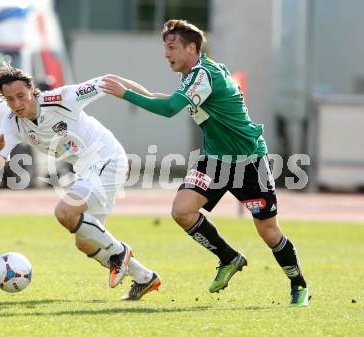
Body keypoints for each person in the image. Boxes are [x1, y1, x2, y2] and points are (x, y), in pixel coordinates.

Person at [101, 19, 310, 307]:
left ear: (191, 47)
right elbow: (167, 100)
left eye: (172, 47)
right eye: (165, 47)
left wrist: (126, 94)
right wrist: (131, 88)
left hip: (248, 162)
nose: (166, 54)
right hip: (213, 161)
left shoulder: (204, 75)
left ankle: (299, 285)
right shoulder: (194, 75)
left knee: (268, 231)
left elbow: (170, 109)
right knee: (182, 211)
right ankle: (229, 257)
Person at [0, 62, 161, 300]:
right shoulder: (12, 123)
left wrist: (148, 97)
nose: (17, 104)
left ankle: (120, 252)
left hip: (108, 159)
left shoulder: (62, 98)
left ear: (32, 89)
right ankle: (145, 278)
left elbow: (107, 78)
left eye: (21, 96)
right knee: (85, 242)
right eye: (10, 100)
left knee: (65, 213)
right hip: (86, 170)